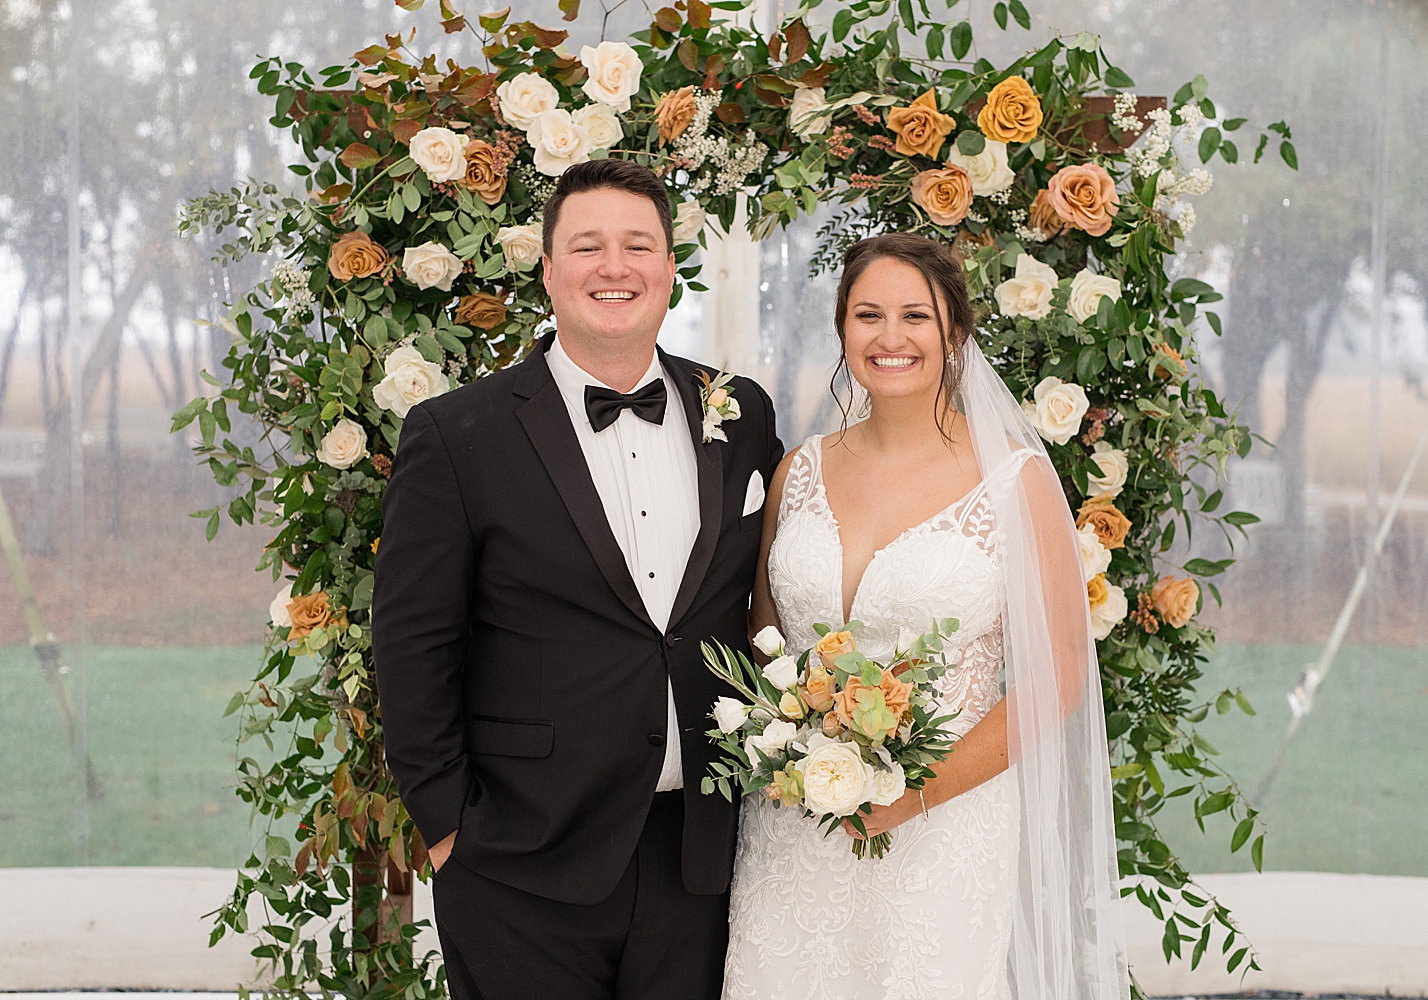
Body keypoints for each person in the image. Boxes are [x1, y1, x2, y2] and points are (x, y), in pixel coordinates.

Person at [373, 157, 783, 1000]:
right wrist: (449, 829)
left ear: (671, 269)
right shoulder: (457, 433)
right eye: (588, 245)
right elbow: (412, 644)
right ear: (550, 270)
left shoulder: (740, 413)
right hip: (520, 859)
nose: (615, 266)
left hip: (699, 857)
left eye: (639, 245)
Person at [723, 233, 1129, 999]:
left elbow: (1061, 677)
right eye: (868, 314)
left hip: (946, 829)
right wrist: (795, 755)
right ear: (843, 329)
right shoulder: (797, 470)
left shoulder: (1016, 480)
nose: (890, 336)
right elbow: (765, 643)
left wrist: (908, 796)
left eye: (916, 315)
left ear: (956, 332)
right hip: (794, 827)